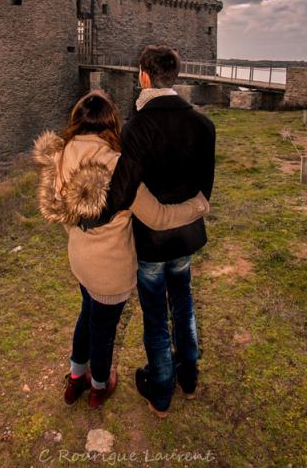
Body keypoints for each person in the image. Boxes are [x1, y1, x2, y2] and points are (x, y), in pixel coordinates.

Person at [33, 90, 209, 410]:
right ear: (111, 123)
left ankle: (75, 378)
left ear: (77, 120)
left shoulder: (62, 153)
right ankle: (99, 386)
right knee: (103, 330)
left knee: (87, 314)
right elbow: (157, 216)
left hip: (79, 258)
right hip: (109, 268)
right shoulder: (117, 167)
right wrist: (197, 206)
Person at [80, 45, 216, 416]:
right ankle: (188, 376)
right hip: (186, 235)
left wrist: (90, 217)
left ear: (143, 76)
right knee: (184, 305)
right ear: (174, 76)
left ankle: (160, 390)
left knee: (156, 315)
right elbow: (206, 188)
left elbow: (123, 190)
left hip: (150, 242)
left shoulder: (136, 127)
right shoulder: (204, 125)